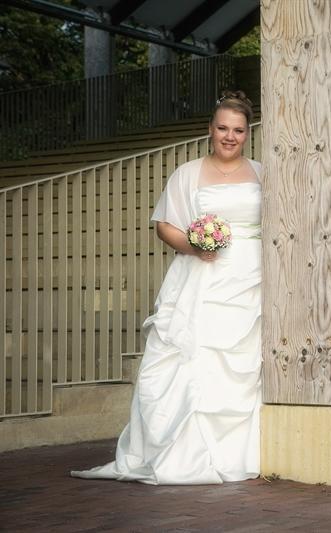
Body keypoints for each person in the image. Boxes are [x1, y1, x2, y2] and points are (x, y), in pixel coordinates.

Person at [72, 91, 264, 483]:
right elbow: (165, 226)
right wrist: (195, 246)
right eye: (223, 128)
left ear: (248, 134)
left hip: (252, 278)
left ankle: (241, 453)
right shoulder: (188, 174)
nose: (230, 137)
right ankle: (185, 451)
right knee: (194, 359)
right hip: (202, 279)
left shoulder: (263, 173)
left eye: (238, 130)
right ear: (210, 129)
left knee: (246, 363)